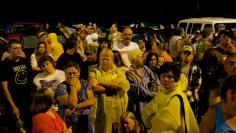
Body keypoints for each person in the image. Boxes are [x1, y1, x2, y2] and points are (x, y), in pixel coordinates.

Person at [141, 62, 199, 133]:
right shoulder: (163, 92)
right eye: (163, 76)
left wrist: (154, 118)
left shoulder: (176, 96)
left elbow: (167, 125)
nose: (166, 79)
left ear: (176, 78)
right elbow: (147, 111)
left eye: (169, 76)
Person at [89, 49, 130, 133]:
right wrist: (112, 87)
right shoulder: (94, 71)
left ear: (112, 60)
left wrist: (101, 82)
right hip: (101, 109)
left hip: (117, 108)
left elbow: (120, 86)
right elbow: (94, 87)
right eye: (102, 59)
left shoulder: (119, 72)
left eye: (107, 59)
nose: (105, 61)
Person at [0, 39, 33, 133]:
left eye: (20, 48)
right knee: (14, 128)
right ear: (9, 50)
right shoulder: (4, 65)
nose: (18, 50)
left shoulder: (25, 61)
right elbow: (5, 88)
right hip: (13, 102)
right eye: (15, 48)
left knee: (27, 126)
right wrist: (13, 106)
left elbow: (30, 79)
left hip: (27, 101)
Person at [56, 61, 95, 133]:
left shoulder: (84, 84)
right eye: (69, 74)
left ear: (79, 73)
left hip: (86, 122)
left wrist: (77, 106)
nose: (72, 76)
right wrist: (72, 86)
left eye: (74, 73)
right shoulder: (61, 87)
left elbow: (91, 101)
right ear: (65, 74)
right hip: (69, 124)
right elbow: (72, 104)